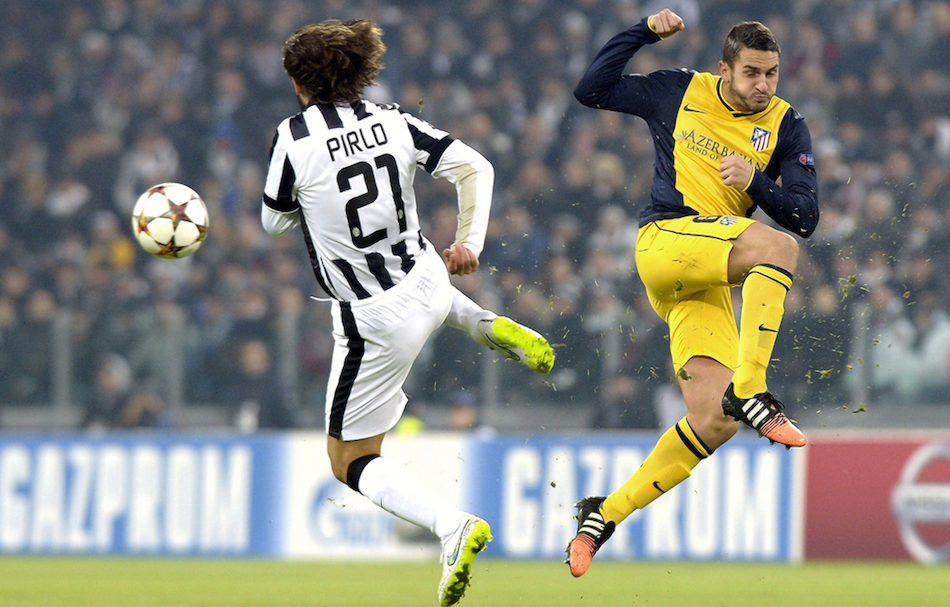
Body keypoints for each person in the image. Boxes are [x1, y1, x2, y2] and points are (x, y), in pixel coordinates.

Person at [260, 19, 555, 606]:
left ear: (299, 83)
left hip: (375, 319)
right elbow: (476, 167)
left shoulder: (293, 136)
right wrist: (469, 241)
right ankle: (484, 323)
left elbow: (273, 222)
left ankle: (452, 527)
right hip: (429, 276)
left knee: (348, 460)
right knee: (428, 286)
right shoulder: (392, 120)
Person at [566, 9, 819, 577]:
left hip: (705, 278)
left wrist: (755, 182)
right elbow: (591, 90)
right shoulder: (680, 90)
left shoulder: (786, 125)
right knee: (777, 250)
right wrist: (641, 32)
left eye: (772, 74)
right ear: (724, 69)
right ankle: (755, 390)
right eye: (751, 73)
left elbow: (805, 216)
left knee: (715, 420)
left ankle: (602, 515)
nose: (763, 85)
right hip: (665, 241)